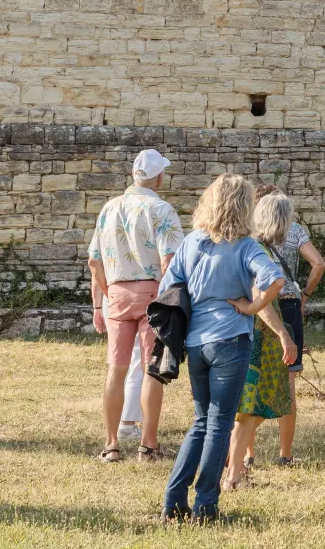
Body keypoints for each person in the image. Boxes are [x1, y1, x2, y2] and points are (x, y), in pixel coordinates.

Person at [158, 174, 294, 523]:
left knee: (200, 422)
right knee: (218, 424)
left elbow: (169, 287)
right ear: (244, 206)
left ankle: (173, 500)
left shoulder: (191, 243)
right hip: (230, 340)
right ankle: (206, 505)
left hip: (195, 342)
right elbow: (275, 279)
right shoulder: (247, 245)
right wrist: (251, 307)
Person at [88, 149, 184, 463]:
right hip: (153, 292)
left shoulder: (109, 208)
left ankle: (112, 444)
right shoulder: (162, 209)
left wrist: (103, 297)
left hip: (116, 290)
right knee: (151, 371)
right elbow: (171, 261)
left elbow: (94, 260)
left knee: (115, 370)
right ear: (158, 177)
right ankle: (148, 444)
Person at [221, 192, 303, 491]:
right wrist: (284, 334)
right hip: (258, 339)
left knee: (247, 410)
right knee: (252, 408)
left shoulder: (245, 246)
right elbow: (260, 298)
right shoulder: (258, 251)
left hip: (246, 333)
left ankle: (234, 469)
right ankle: (232, 474)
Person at [242, 183, 325, 467]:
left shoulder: (249, 237)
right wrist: (305, 295)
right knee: (288, 380)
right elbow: (319, 263)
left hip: (258, 307)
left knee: (253, 377)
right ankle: (285, 454)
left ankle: (248, 453)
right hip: (288, 303)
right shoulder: (295, 232)